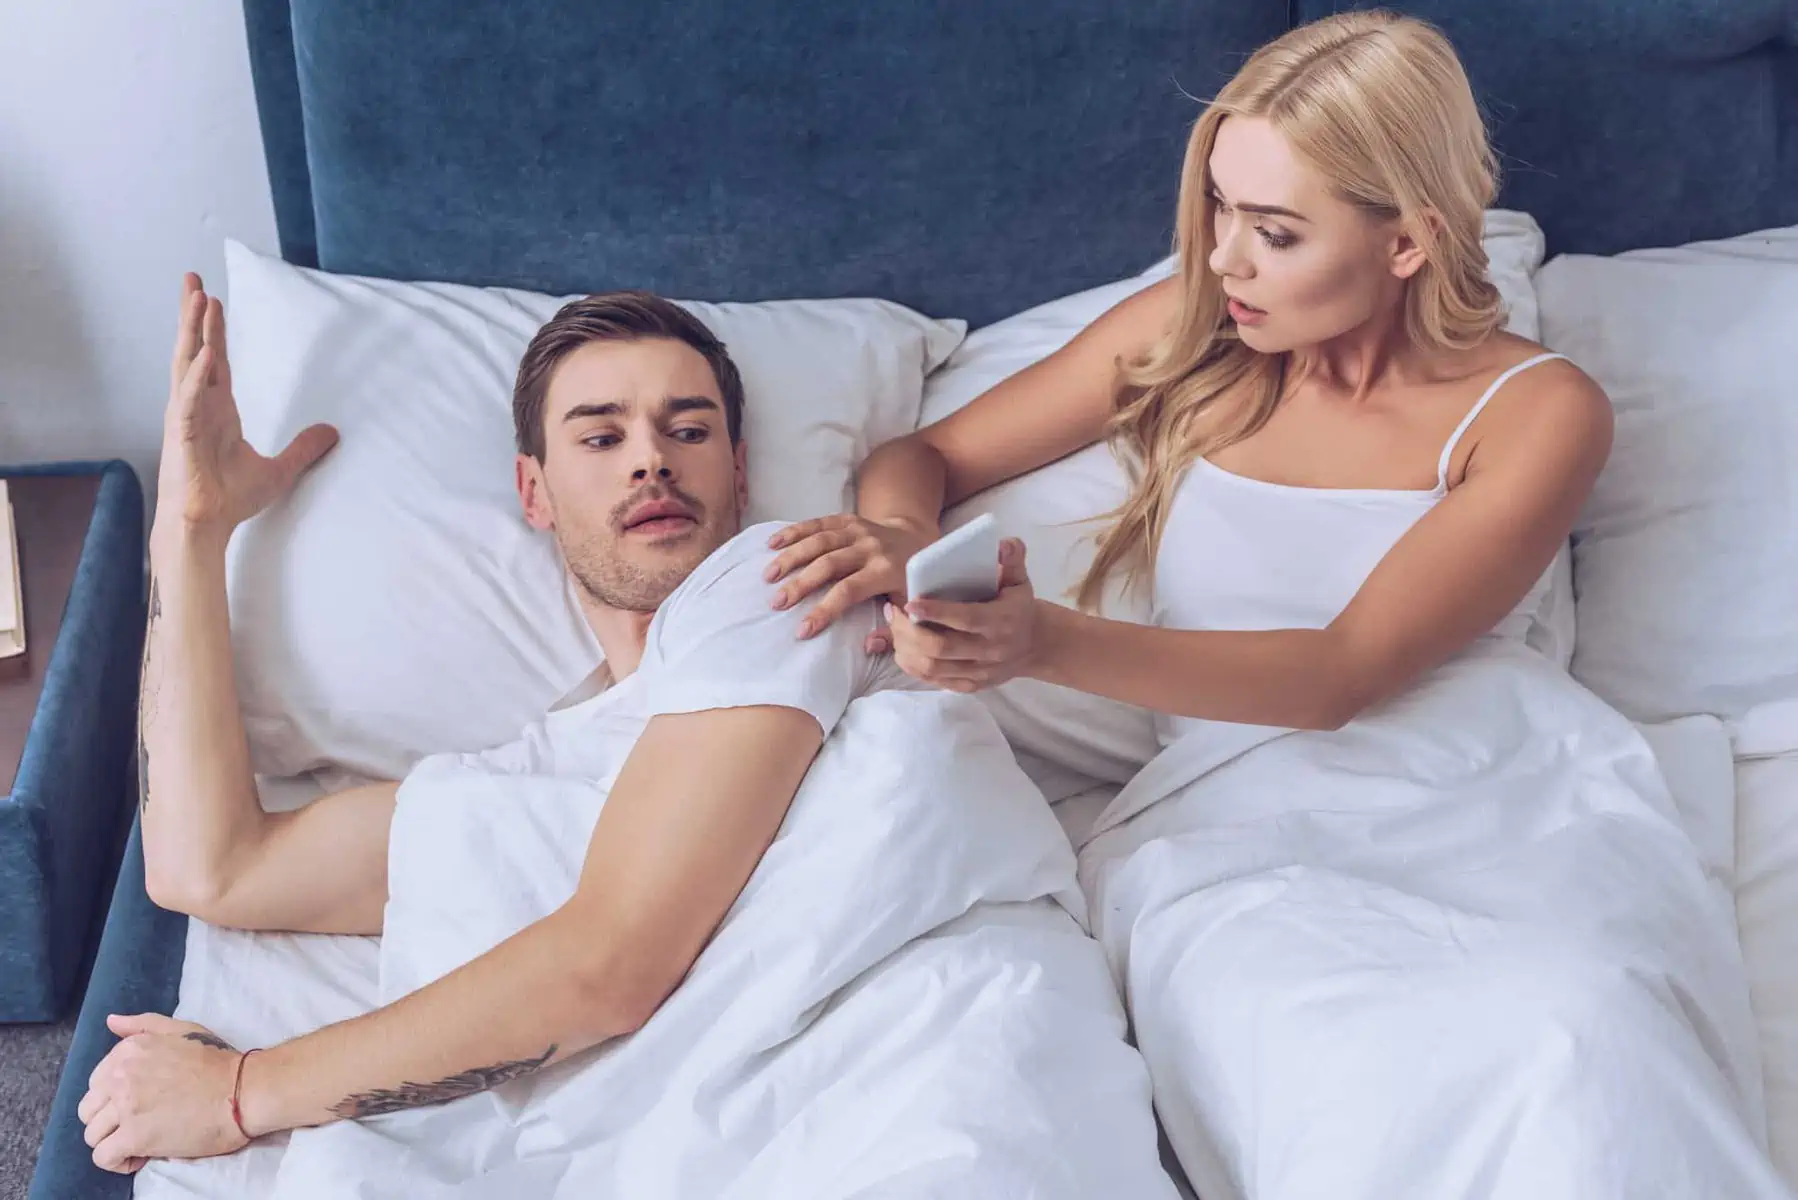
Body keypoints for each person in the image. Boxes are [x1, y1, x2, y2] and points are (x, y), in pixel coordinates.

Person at [764, 10, 1789, 1198]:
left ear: (1406, 240)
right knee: (1351, 1059)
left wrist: (1041, 642)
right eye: (1218, 207)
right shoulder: (1196, 333)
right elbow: (924, 453)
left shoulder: (1536, 411)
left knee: (1569, 1029)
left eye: (1276, 230)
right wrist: (902, 536)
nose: (1225, 259)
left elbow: (1340, 671)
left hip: (1499, 798)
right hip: (1233, 825)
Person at [78, 281, 911, 1172]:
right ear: (533, 491)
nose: (651, 461)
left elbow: (611, 965)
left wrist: (241, 1092)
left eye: (690, 431)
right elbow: (209, 867)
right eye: (602, 437)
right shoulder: (511, 783)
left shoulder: (785, 586)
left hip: (905, 1090)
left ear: (740, 474)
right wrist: (191, 529)